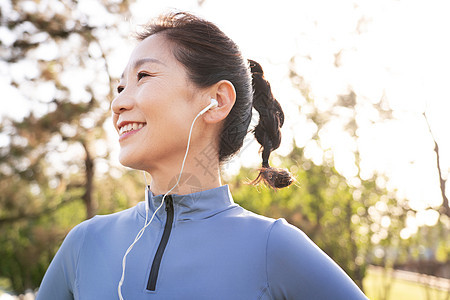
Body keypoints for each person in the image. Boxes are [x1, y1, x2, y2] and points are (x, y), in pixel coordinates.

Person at [36, 11, 368, 300]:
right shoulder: (84, 244)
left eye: (143, 76)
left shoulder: (273, 248)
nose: (118, 103)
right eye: (120, 87)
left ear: (217, 101)